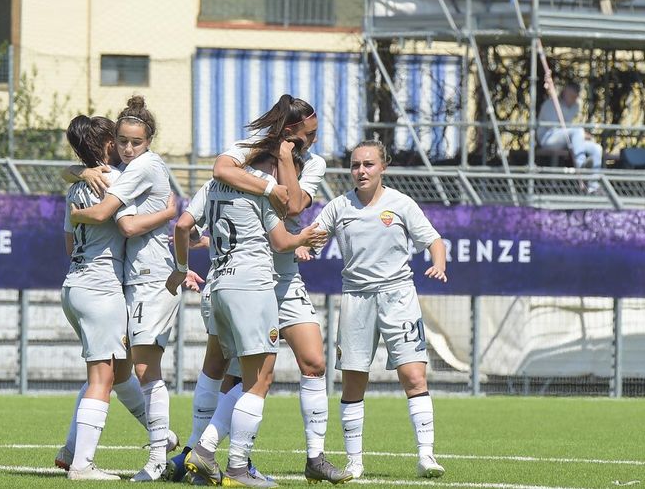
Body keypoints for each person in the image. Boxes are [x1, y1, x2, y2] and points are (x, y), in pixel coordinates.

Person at [207, 94, 349, 483]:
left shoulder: (312, 162)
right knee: (239, 376)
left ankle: (315, 458)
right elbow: (220, 169)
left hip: (283, 278)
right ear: (289, 131)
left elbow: (296, 205)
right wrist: (268, 186)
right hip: (250, 277)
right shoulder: (249, 149)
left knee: (314, 361)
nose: (314, 141)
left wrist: (285, 160)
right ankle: (204, 452)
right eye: (309, 134)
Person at [183, 147, 328, 487]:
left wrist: (183, 262)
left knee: (229, 372)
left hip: (221, 284)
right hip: (253, 285)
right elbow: (280, 241)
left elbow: (183, 226)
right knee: (257, 379)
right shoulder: (264, 190)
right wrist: (302, 238)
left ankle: (200, 449)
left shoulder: (214, 185)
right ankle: (231, 464)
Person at [313, 140, 448, 479]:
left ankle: (426, 456)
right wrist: (303, 246)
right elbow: (314, 236)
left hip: (398, 296)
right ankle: (354, 461)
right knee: (353, 381)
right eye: (355, 165)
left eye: (368, 164)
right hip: (356, 299)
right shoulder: (339, 206)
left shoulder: (401, 203)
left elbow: (434, 240)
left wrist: (438, 263)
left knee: (414, 376)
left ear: (383, 167)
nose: (361, 171)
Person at [55, 114, 178, 480]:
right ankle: (82, 466)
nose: (125, 147)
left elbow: (69, 245)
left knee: (117, 372)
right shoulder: (115, 179)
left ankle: (73, 449)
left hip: (73, 286)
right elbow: (122, 223)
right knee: (102, 379)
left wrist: (77, 172)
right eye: (119, 140)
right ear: (108, 144)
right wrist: (169, 212)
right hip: (102, 289)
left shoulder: (76, 187)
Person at [538, 81, 603, 193]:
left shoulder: (575, 107)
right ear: (565, 92)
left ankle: (593, 186)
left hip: (566, 139)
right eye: (571, 95)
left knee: (596, 148)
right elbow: (552, 127)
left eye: (575, 96)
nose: (573, 99)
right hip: (548, 138)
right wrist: (578, 133)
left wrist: (580, 135)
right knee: (578, 131)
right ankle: (581, 165)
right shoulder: (550, 104)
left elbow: (568, 128)